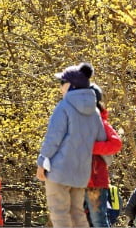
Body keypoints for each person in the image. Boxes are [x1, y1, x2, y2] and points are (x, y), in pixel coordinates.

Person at [36, 62, 106, 228]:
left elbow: (53, 139)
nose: (60, 88)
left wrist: (41, 162)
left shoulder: (64, 106)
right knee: (78, 214)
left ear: (72, 85)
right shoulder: (95, 112)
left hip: (59, 171)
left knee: (59, 214)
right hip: (81, 173)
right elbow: (101, 140)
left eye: (62, 83)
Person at [85, 84, 122, 227]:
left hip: (95, 183)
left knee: (99, 221)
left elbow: (115, 144)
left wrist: (90, 148)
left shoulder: (101, 122)